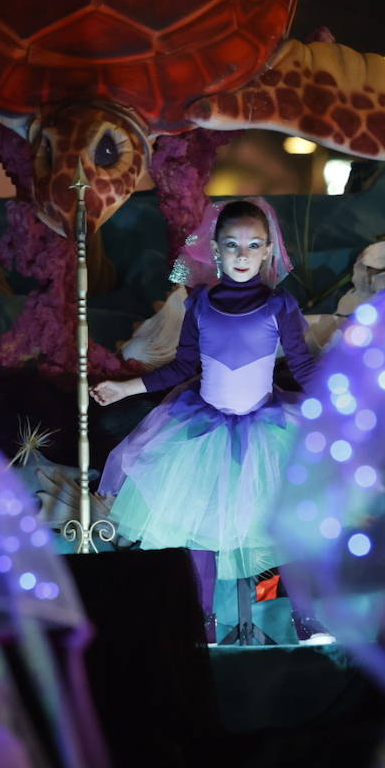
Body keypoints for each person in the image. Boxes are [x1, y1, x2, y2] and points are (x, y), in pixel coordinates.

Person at [90, 198, 316, 644]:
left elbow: (304, 367)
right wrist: (125, 388)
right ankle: (201, 622)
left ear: (269, 250)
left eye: (254, 245)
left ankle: (307, 618)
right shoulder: (200, 304)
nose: (243, 254)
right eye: (232, 245)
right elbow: (181, 366)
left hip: (266, 429)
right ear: (215, 249)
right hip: (202, 431)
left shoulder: (280, 306)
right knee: (199, 527)